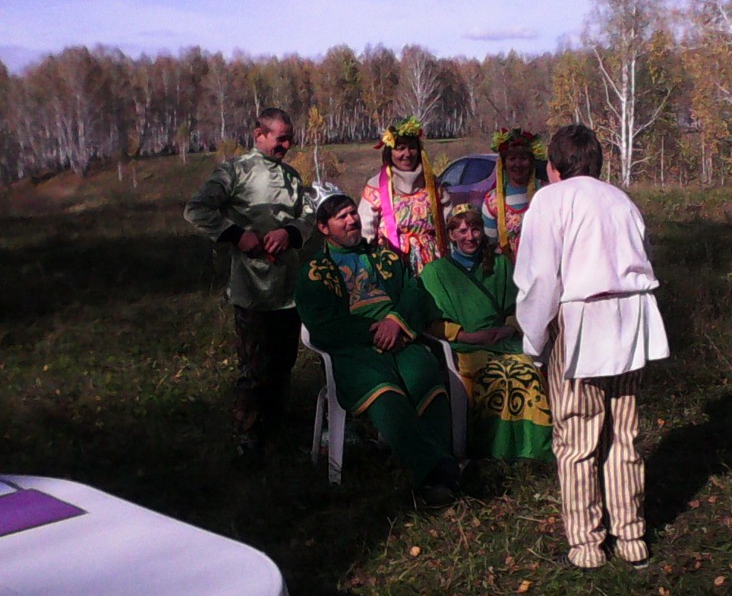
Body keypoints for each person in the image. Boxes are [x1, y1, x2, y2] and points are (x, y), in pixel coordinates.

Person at [514, 124, 670, 570]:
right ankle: (631, 537)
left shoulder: (550, 199)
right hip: (630, 321)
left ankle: (586, 545)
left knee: (578, 438)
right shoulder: (621, 200)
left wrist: (534, 339)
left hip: (583, 322)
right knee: (623, 434)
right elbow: (643, 257)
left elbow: (540, 280)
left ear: (553, 166)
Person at [295, 187, 460, 504]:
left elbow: (414, 291)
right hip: (355, 348)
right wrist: (373, 333)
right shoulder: (313, 272)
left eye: (352, 213)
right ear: (323, 227)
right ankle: (437, 471)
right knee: (384, 392)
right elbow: (322, 324)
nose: (351, 220)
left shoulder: (386, 256)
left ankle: (438, 465)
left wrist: (396, 322)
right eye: (341, 217)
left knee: (427, 376)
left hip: (399, 336)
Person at [184, 108, 314, 456]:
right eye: (280, 139)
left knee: (283, 367)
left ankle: (276, 432)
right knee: (255, 370)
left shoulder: (291, 176)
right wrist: (236, 235)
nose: (287, 145)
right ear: (259, 135)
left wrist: (290, 233)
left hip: (288, 291)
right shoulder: (235, 171)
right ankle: (247, 440)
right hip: (252, 292)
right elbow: (197, 209)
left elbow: (307, 215)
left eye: (290, 139)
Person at [420, 204, 554, 462]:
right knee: (495, 376)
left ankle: (533, 449)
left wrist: (509, 328)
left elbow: (520, 305)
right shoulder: (435, 273)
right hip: (466, 347)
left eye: (475, 229)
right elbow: (430, 322)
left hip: (503, 342)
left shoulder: (501, 265)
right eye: (462, 231)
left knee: (524, 371)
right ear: (451, 235)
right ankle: (494, 449)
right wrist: (466, 336)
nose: (470, 237)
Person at [358, 116, 451, 274]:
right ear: (390, 152)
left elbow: (449, 224)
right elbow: (365, 232)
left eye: (412, 148)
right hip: (391, 264)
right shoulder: (376, 187)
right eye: (400, 148)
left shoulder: (433, 186)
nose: (407, 154)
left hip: (432, 263)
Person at [482, 128, 547, 261]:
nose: (518, 164)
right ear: (504, 163)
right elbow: (490, 243)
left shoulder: (546, 192)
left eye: (523, 158)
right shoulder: (492, 201)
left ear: (531, 162)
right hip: (507, 267)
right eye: (512, 159)